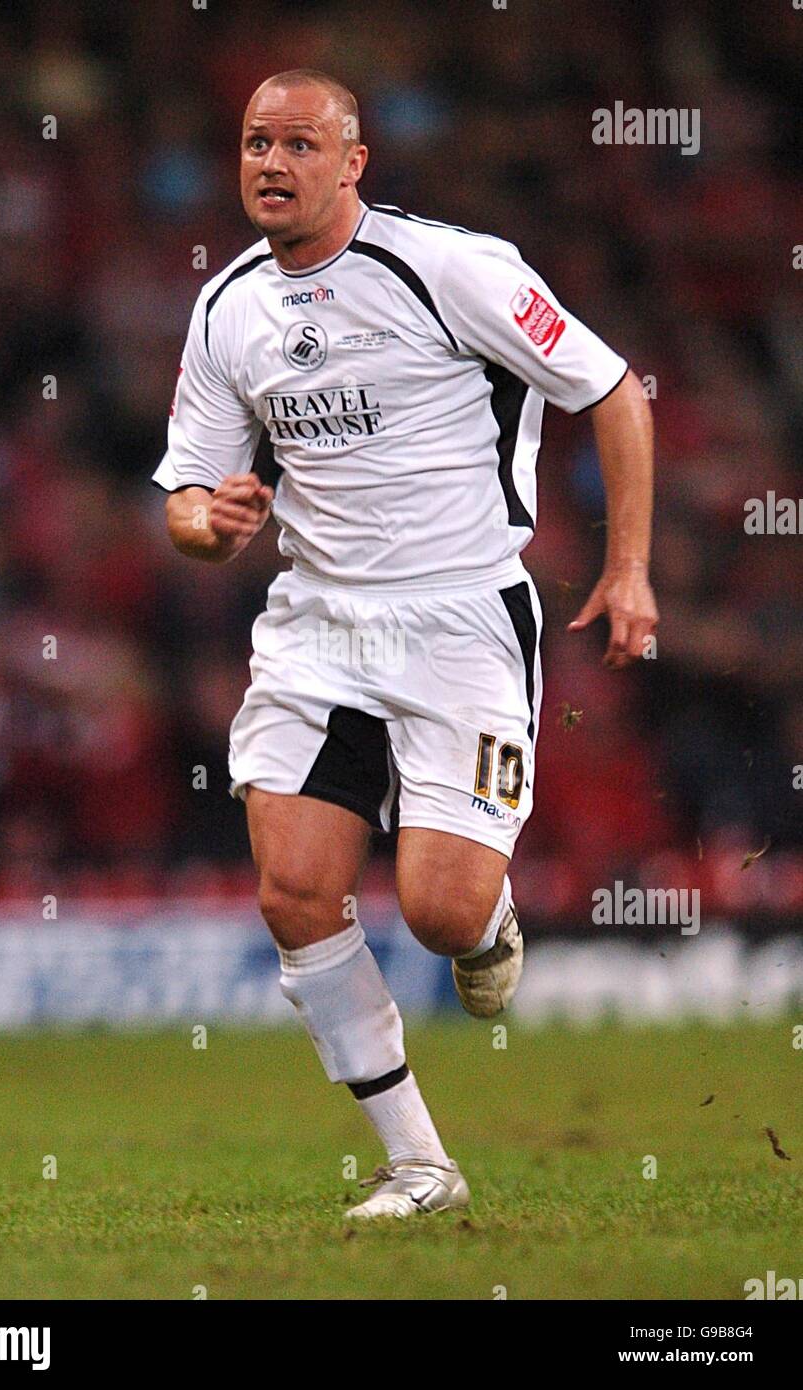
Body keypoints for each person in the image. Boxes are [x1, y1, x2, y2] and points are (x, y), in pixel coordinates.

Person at [155, 69, 658, 1220]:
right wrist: (206, 522)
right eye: (252, 144)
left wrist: (625, 569)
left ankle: (480, 919)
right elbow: (188, 492)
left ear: (353, 162)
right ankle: (419, 1164)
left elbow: (614, 391)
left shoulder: (452, 269)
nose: (270, 164)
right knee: (294, 892)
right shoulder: (227, 305)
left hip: (460, 615)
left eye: (297, 144)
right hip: (317, 622)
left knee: (435, 910)